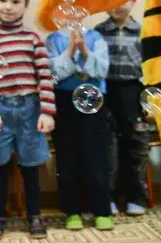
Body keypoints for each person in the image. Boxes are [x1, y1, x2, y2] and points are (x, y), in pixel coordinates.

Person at [0, 0, 55, 238]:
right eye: (2, 0)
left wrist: (46, 112)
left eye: (15, 1)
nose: (8, 6)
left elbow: (45, 77)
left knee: (30, 166)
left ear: (25, 5)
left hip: (30, 108)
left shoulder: (33, 39)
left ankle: (34, 216)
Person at [45, 24, 114, 231]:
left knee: (96, 156)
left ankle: (101, 210)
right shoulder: (53, 39)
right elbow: (51, 73)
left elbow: (102, 70)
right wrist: (69, 52)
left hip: (93, 99)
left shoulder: (96, 38)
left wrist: (84, 50)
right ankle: (72, 211)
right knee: (67, 157)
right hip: (64, 101)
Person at [94, 0, 150, 216]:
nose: (117, 5)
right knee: (108, 149)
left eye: (123, 0)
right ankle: (108, 197)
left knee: (135, 147)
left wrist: (148, 101)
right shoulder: (98, 32)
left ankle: (136, 197)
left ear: (134, 0)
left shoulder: (142, 32)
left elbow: (151, 69)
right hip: (106, 92)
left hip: (133, 92)